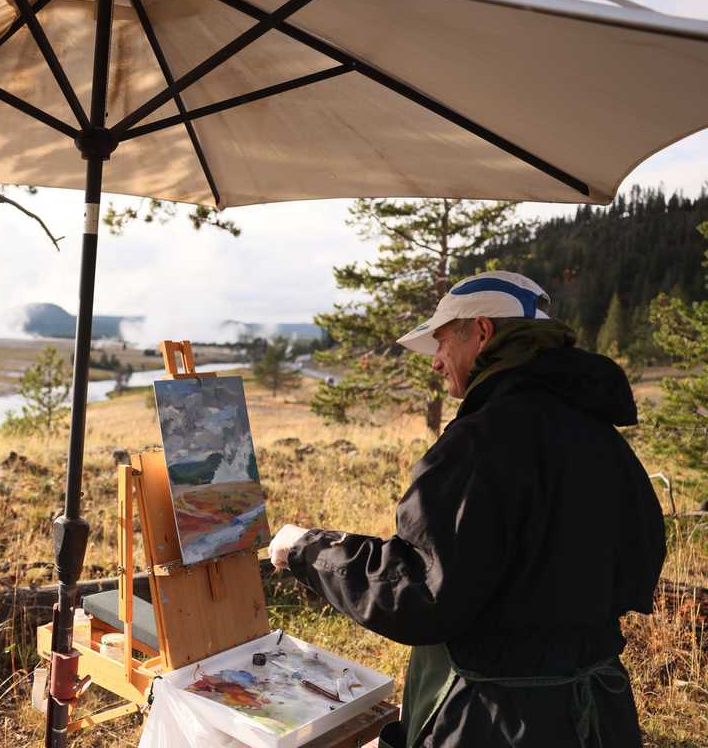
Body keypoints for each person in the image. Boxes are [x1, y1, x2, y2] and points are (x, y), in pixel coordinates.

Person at [268, 270, 665, 748]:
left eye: (440, 343)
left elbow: (418, 592)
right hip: (601, 716)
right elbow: (640, 565)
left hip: (497, 724)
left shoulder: (481, 443)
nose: (436, 363)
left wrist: (306, 549)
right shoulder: (603, 438)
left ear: (481, 332)